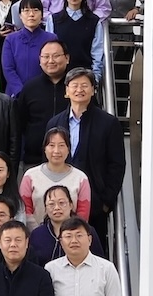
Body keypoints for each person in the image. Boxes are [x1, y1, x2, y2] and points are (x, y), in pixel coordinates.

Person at [47, 68, 125, 250]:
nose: (79, 90)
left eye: (84, 85)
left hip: (95, 204)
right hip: (59, 204)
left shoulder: (108, 123)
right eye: (74, 85)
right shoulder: (55, 123)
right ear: (66, 91)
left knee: (92, 251)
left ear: (93, 90)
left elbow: (117, 164)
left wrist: (106, 202)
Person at [20, 126, 91, 229]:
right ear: (45, 149)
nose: (56, 151)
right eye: (51, 145)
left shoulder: (80, 178)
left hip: (71, 235)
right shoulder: (30, 176)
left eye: (61, 145)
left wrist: (69, 233)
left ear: (68, 149)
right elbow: (25, 209)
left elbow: (83, 214)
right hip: (35, 234)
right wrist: (40, 233)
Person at [18, 40, 71, 167]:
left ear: (67, 58)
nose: (51, 61)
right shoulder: (30, 88)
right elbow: (20, 123)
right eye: (46, 57)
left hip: (71, 161)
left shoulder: (76, 88)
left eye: (56, 56)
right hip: (34, 160)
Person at [46, 0, 104, 83]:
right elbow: (50, 50)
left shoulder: (94, 21)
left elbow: (97, 53)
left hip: (85, 77)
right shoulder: (53, 20)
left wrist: (95, 78)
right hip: (59, 77)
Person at [30, 185, 104, 266]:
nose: (57, 208)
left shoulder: (86, 231)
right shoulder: (37, 234)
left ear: (71, 205)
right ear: (45, 208)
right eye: (51, 204)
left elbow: (99, 261)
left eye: (61, 203)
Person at [2, 0, 58, 97]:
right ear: (20, 15)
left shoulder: (51, 38)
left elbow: (54, 67)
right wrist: (20, 91)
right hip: (16, 94)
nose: (31, 14)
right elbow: (8, 69)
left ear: (42, 15)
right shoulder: (11, 39)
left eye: (35, 10)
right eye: (26, 11)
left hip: (43, 93)